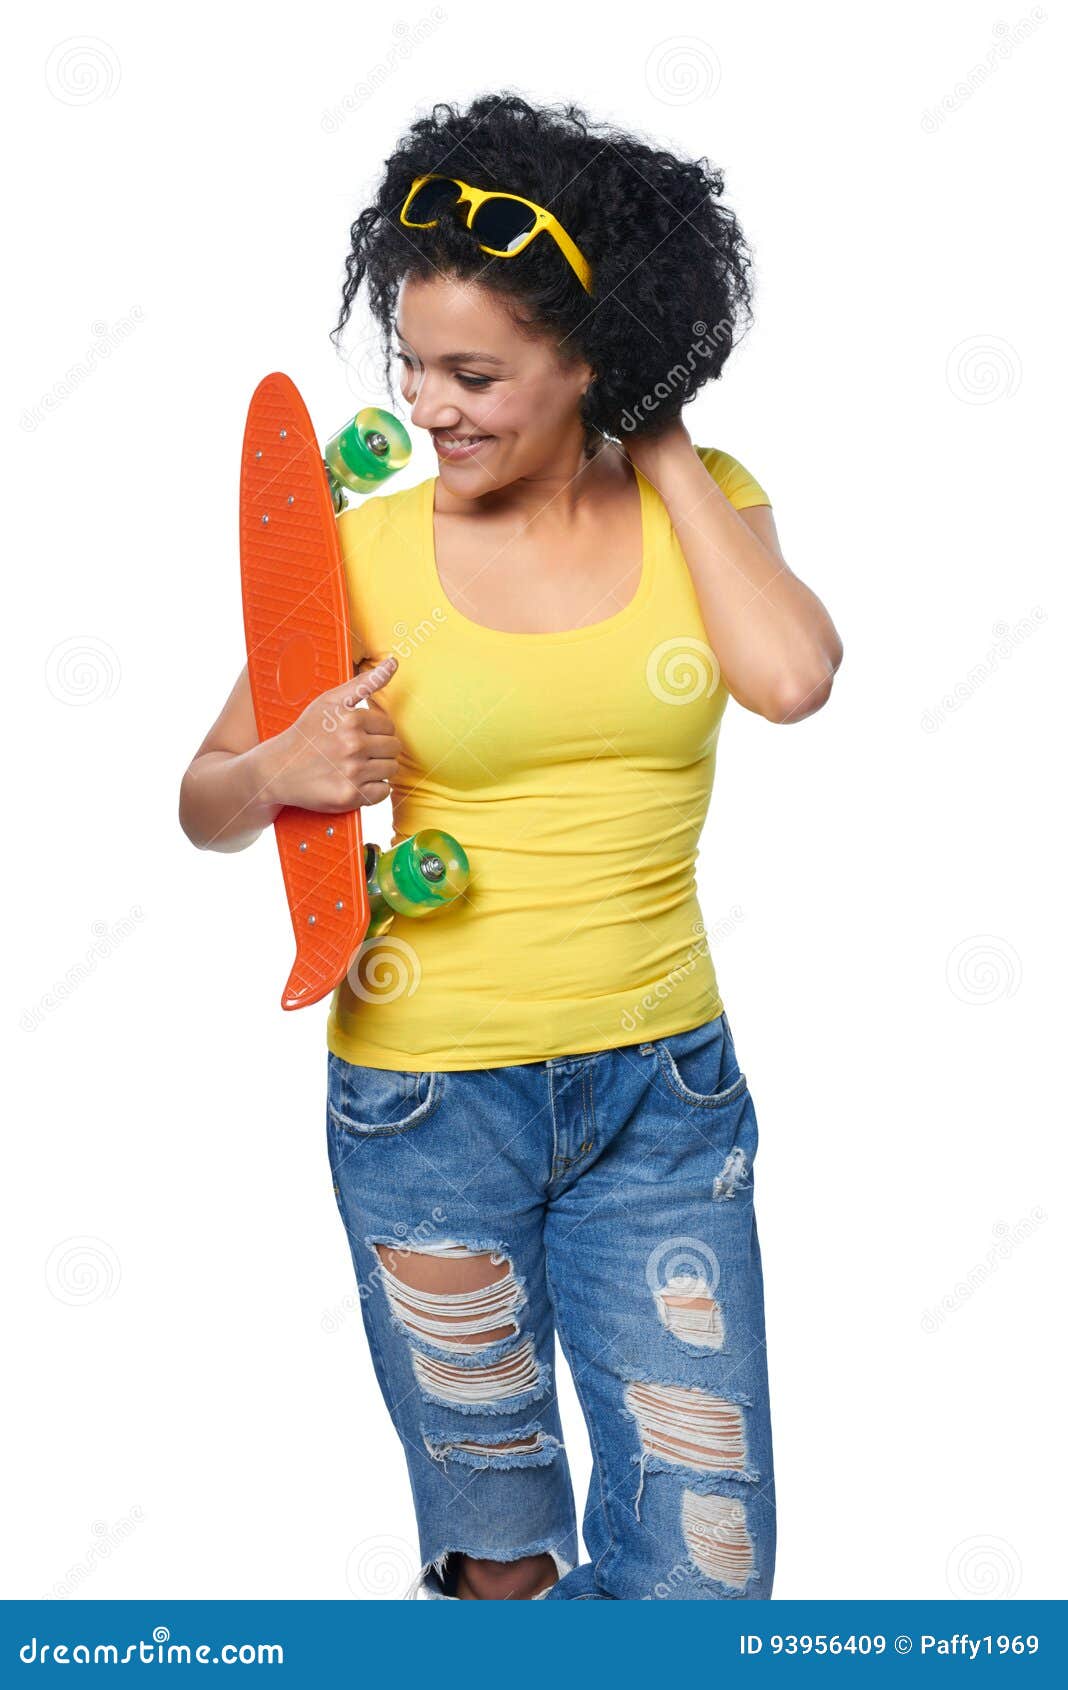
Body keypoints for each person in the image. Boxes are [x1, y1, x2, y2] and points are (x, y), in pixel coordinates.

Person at [179, 91, 843, 1601]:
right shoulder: (363, 550)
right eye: (413, 366)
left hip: (663, 1092)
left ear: (594, 357)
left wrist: (660, 436)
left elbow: (794, 679)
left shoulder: (709, 510)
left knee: (705, 1562)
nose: (431, 405)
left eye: (474, 372)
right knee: (501, 1558)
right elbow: (205, 795)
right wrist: (283, 766)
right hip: (425, 1099)